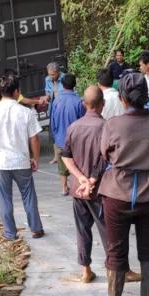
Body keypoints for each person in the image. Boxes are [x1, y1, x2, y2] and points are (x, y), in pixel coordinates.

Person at [92, 73, 149, 296]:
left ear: (122, 98)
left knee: (116, 251)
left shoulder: (112, 124)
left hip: (117, 195)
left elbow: (105, 155)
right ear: (146, 95)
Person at [0, 73, 45, 240]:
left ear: (1, 93)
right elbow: (34, 138)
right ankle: (36, 229)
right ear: (16, 92)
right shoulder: (26, 112)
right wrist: (35, 159)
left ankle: (10, 232)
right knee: (28, 195)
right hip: (21, 161)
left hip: (1, 162)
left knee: (5, 198)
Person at [61, 86, 107, 283]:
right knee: (107, 230)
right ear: (102, 104)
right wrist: (92, 180)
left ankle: (86, 270)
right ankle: (116, 268)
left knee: (82, 230)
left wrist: (80, 178)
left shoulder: (73, 127)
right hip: (101, 190)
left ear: (84, 104)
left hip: (78, 190)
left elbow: (66, 157)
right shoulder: (107, 127)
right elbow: (107, 159)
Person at [49, 74, 85, 196]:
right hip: (75, 140)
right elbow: (83, 121)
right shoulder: (79, 101)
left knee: (61, 166)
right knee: (76, 164)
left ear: (62, 85)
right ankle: (77, 185)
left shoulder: (56, 101)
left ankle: (64, 188)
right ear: (74, 85)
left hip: (60, 139)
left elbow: (52, 121)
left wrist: (55, 136)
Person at [43, 62, 65, 163]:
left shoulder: (64, 78)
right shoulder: (48, 79)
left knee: (65, 129)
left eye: (53, 74)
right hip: (53, 108)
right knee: (53, 131)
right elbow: (47, 91)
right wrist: (47, 95)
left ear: (58, 72)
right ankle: (56, 156)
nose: (51, 77)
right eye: (49, 74)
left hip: (63, 107)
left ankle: (67, 155)